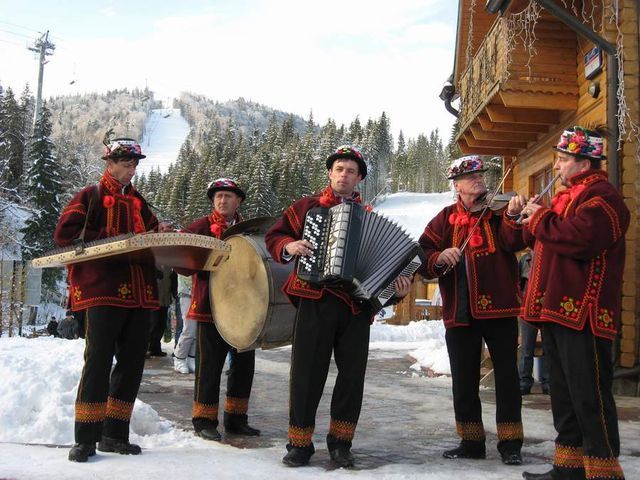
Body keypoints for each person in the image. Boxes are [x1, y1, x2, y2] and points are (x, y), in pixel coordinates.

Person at [265, 145, 412, 468]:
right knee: (306, 374)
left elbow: (385, 273)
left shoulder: (368, 217)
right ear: (330, 173)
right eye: (339, 169)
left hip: (356, 307)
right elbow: (275, 237)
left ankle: (341, 443)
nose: (344, 175)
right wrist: (289, 245)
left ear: (359, 178)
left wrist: (397, 292)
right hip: (315, 300)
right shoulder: (307, 208)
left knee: (351, 377)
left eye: (351, 171)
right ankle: (299, 444)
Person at [520, 126, 629, 480]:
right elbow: (545, 235)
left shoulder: (603, 199)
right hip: (558, 311)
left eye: (563, 160)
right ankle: (568, 468)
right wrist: (527, 217)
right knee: (564, 395)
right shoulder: (570, 199)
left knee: (590, 397)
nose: (556, 167)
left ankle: (603, 471)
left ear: (585, 162)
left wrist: (541, 218)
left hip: (584, 313)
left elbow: (580, 240)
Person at [54, 137, 171, 463]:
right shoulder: (89, 197)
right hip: (102, 290)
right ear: (110, 163)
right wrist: (112, 241)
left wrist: (159, 231)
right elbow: (64, 236)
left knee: (133, 363)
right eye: (125, 163)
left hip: (140, 294)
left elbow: (151, 237)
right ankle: (86, 437)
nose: (131, 169)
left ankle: (114, 434)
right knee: (98, 362)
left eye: (134, 164)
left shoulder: (140, 202)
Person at [418, 155, 527, 466]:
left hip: (500, 310)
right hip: (459, 310)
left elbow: (514, 239)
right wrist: (440, 255)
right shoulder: (445, 218)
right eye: (471, 177)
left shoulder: (498, 212)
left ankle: (510, 443)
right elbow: (422, 249)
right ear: (457, 186)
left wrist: (514, 217)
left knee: (507, 378)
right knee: (463, 381)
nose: (480, 180)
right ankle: (471, 441)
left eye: (481, 175)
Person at [175, 178, 260, 441]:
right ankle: (204, 420)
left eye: (228, 197)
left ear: (239, 201)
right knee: (209, 366)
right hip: (210, 308)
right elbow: (180, 263)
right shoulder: (200, 227)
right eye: (218, 197)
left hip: (244, 309)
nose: (222, 201)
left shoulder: (248, 230)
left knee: (244, 365)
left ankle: (236, 419)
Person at [517, 251, 549, 395]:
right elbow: (517, 283)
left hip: (547, 308)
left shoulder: (551, 257)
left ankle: (547, 382)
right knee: (526, 347)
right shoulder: (525, 259)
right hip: (527, 308)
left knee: (549, 347)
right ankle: (524, 382)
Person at [147, 266, 177, 357]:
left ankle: (155, 348)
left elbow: (171, 281)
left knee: (161, 324)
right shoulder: (153, 263)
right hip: (153, 299)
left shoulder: (169, 265)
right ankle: (147, 348)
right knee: (153, 323)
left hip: (165, 299)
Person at [173, 274, 195, 374]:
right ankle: (179, 359)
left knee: (196, 330)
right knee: (189, 329)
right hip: (187, 291)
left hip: (198, 290)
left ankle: (191, 358)